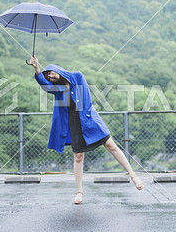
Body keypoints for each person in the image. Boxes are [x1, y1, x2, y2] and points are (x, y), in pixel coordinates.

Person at [30, 56, 143, 204]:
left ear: (57, 69)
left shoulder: (77, 76)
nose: (51, 76)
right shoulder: (57, 89)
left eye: (51, 72)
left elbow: (86, 99)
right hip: (73, 122)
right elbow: (44, 85)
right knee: (78, 156)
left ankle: (133, 176)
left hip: (89, 117)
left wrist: (86, 117)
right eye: (49, 76)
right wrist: (37, 68)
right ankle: (79, 192)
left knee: (111, 145)